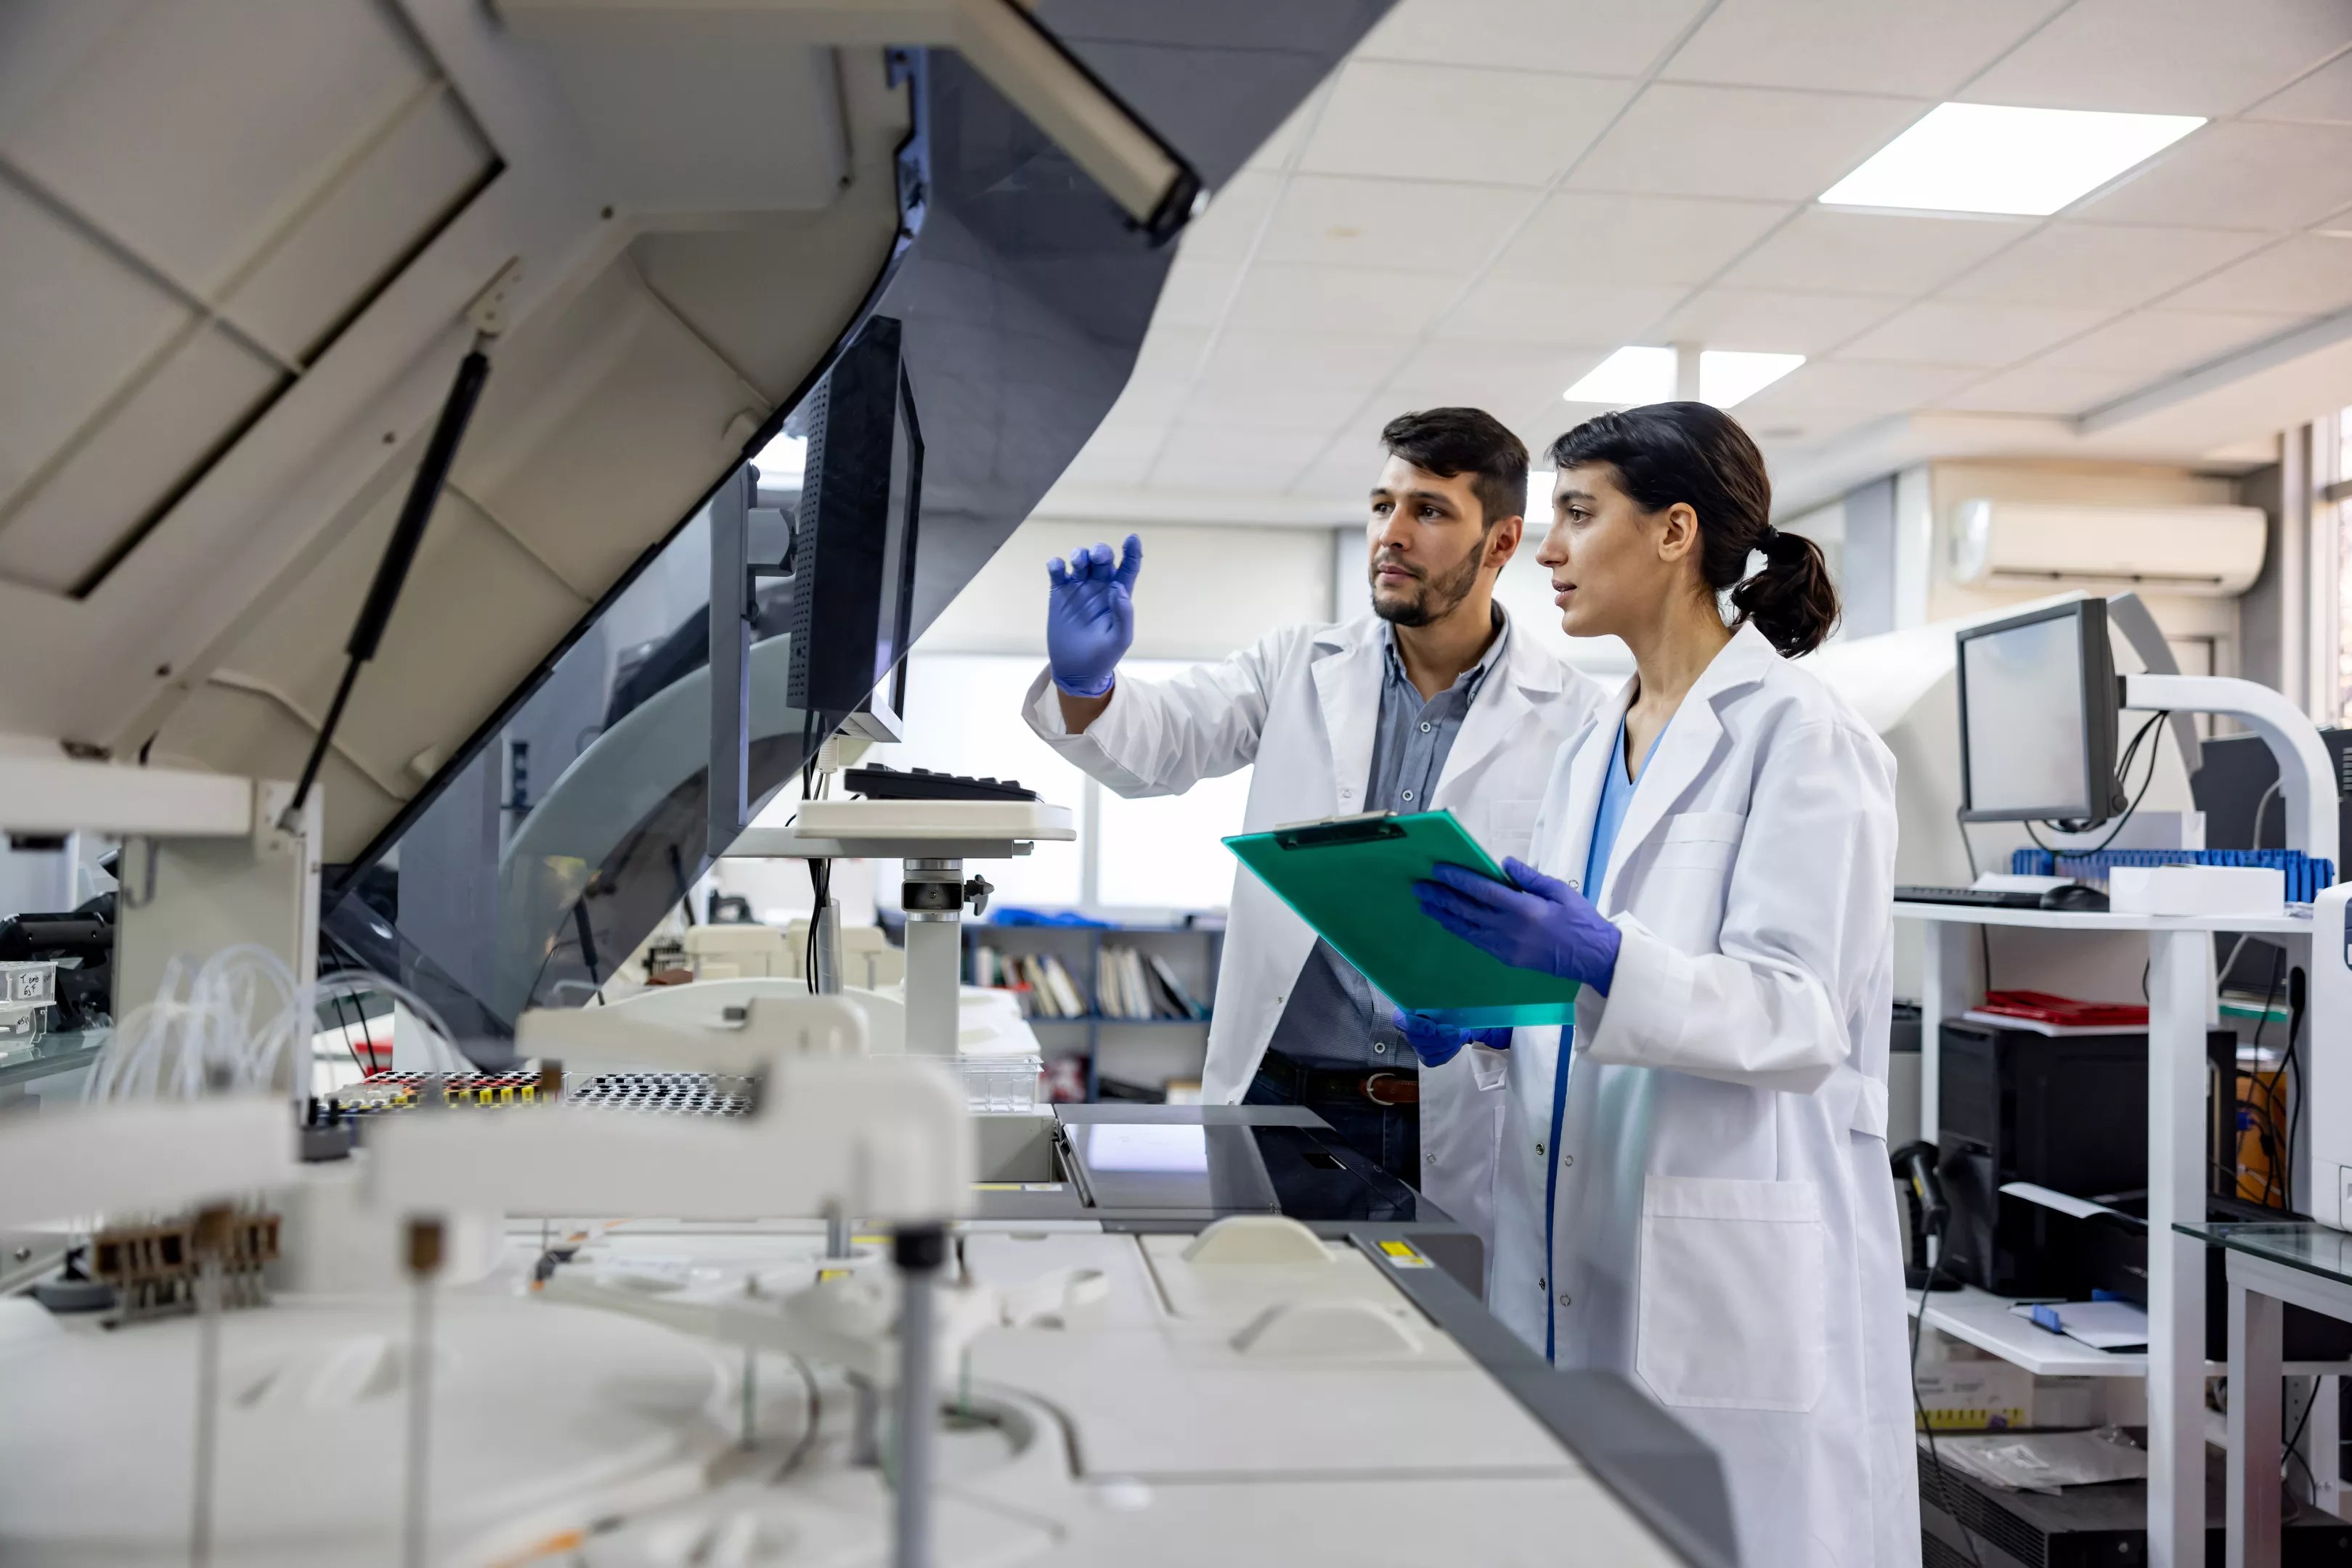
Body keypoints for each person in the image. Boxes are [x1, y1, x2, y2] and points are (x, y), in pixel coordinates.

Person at [1403, 403, 1917, 1567]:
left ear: (1675, 532)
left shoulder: (1798, 734)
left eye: (1578, 516)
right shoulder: (1593, 739)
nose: (1546, 550)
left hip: (1723, 1259)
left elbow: (1799, 1018)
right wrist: (1492, 1017)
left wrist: (1597, 957)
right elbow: (1581, 996)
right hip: (1580, 1234)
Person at [1022, 408, 1600, 1250]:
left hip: (1458, 1110)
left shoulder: (1575, 718)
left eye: (1428, 511)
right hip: (1282, 1104)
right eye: (1380, 506)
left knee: (1440, 1356)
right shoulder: (1297, 664)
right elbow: (1167, 742)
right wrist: (1089, 682)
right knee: (1264, 1334)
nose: (1390, 535)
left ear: (1503, 542)